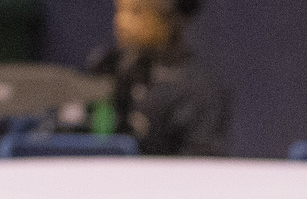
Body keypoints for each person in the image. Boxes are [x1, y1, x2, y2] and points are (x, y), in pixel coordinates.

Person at [85, 0, 230, 156]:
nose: (122, 21)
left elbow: (200, 165)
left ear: (168, 18)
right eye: (119, 10)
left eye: (136, 11)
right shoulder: (106, 67)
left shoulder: (201, 90)